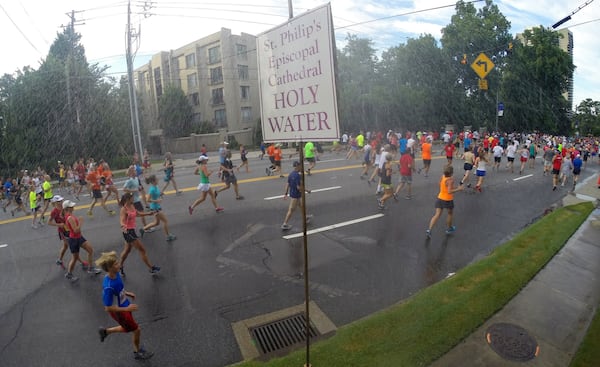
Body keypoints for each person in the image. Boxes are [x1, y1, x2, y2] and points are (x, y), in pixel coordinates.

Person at [95, 251, 154, 360]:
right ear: (109, 268)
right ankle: (137, 352)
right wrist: (126, 308)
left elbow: (119, 288)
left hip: (124, 306)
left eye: (117, 262)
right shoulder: (108, 287)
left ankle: (105, 332)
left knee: (128, 328)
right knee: (136, 330)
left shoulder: (116, 274)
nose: (119, 265)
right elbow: (107, 308)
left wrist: (126, 292)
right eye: (116, 264)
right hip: (120, 312)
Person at [119, 192, 161, 277]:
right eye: (132, 198)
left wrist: (148, 214)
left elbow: (137, 214)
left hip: (132, 231)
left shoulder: (132, 205)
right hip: (128, 232)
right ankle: (151, 268)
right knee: (142, 250)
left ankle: (120, 266)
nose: (133, 199)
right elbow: (122, 220)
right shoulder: (124, 209)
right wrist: (123, 226)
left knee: (127, 251)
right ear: (128, 199)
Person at [63, 200, 102, 281]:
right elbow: (75, 230)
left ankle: (91, 268)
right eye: (71, 206)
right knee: (74, 258)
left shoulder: (70, 215)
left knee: (90, 250)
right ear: (67, 208)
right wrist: (80, 222)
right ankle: (69, 274)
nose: (73, 207)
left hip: (79, 237)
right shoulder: (70, 217)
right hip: (74, 239)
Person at [48, 195, 87, 269]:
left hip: (69, 230)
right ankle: (81, 262)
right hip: (63, 232)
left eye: (61, 200)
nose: (60, 202)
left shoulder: (64, 208)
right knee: (72, 248)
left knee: (65, 246)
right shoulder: (54, 211)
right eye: (58, 201)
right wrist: (59, 224)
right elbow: (49, 222)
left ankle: (59, 260)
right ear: (55, 202)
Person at [426, 165, 464, 238]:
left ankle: (429, 230)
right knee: (450, 214)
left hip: (440, 197)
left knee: (437, 215)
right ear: (451, 173)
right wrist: (459, 189)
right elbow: (449, 191)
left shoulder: (443, 177)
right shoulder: (450, 180)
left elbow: (441, 184)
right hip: (448, 200)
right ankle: (449, 228)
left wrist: (456, 187)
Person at [143, 175, 177, 241]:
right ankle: (168, 236)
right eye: (156, 179)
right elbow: (147, 200)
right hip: (155, 208)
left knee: (156, 223)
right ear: (153, 181)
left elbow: (156, 194)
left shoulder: (156, 186)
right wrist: (157, 200)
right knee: (165, 221)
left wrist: (160, 194)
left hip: (157, 207)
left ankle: (143, 229)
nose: (158, 180)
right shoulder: (152, 189)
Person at [281, 161, 311, 230]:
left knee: (301, 206)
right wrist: (307, 190)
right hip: (295, 196)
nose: (301, 167)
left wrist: (285, 194)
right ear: (297, 166)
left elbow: (287, 184)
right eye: (300, 166)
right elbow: (299, 187)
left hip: (293, 194)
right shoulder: (297, 175)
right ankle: (284, 224)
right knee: (291, 210)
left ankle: (305, 217)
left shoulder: (291, 174)